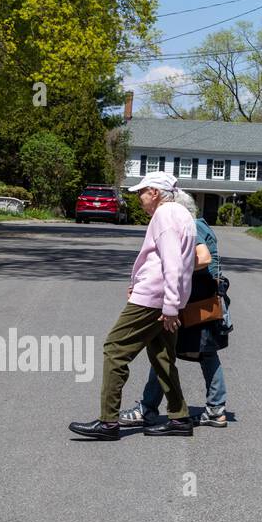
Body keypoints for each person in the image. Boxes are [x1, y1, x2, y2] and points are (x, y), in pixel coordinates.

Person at [69, 171, 196, 440]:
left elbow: (172, 263)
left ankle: (108, 423)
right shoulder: (183, 214)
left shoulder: (165, 216)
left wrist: (170, 305)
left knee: (115, 349)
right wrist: (170, 300)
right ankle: (179, 417)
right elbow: (181, 263)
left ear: (156, 193)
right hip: (164, 298)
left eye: (142, 191)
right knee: (162, 357)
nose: (139, 197)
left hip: (154, 299)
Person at [119, 190, 231, 428]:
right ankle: (215, 408)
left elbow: (204, 257)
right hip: (203, 298)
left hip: (197, 299)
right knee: (196, 353)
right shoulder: (199, 224)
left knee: (165, 353)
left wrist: (170, 268)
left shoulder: (191, 226)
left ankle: (149, 409)